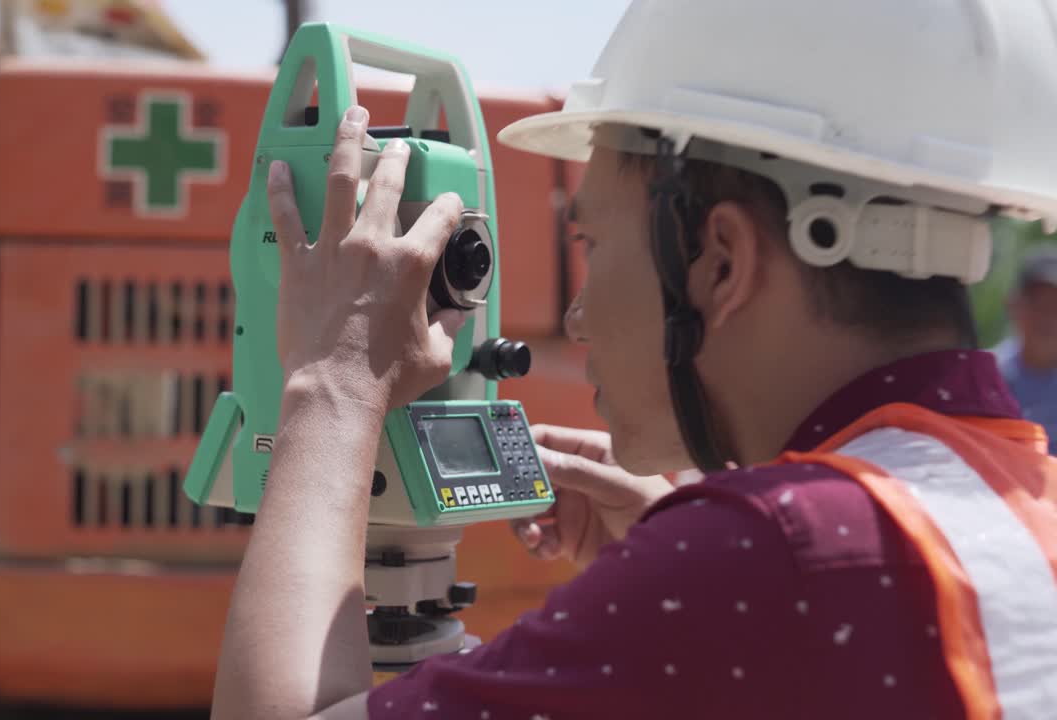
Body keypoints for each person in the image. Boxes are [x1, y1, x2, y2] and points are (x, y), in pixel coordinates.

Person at [208, 1, 1057, 718]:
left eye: (594, 240)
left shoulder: (770, 557)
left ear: (720, 261)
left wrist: (335, 377)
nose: (577, 319)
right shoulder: (1025, 502)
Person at [995, 247, 1057, 454]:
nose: (1047, 317)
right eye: (1038, 303)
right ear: (1014, 305)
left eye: (1055, 306)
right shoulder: (987, 377)